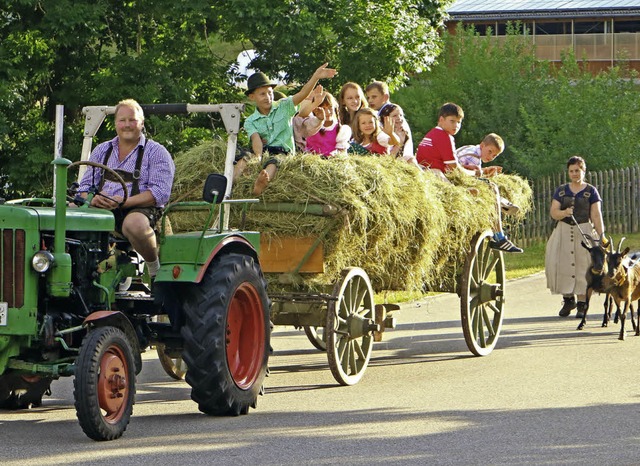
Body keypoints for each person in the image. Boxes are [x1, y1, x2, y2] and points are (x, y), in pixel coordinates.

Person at [77, 98, 175, 282]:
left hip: (139, 207)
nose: (127, 125)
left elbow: (160, 193)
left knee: (134, 224)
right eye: (122, 120)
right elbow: (83, 188)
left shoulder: (156, 152)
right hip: (101, 206)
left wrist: (123, 202)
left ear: (142, 123)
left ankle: (154, 270)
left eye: (132, 120)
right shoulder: (102, 150)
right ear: (115, 123)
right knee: (67, 215)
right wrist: (91, 199)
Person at [416, 103, 522, 253]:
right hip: (441, 177)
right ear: (441, 120)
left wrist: (475, 171)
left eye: (459, 122)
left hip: (434, 174)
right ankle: (499, 236)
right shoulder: (444, 137)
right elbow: (455, 169)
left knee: (487, 184)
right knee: (491, 188)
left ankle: (503, 205)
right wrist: (478, 173)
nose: (456, 126)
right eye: (452, 121)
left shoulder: (432, 134)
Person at [241, 64, 337, 195]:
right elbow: (255, 139)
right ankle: (229, 185)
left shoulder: (284, 106)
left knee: (274, 161)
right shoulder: (250, 120)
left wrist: (316, 77)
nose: (268, 97)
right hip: (263, 150)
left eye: (270, 93)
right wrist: (257, 157)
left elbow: (303, 94)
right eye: (262, 94)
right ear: (252, 97)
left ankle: (261, 185)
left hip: (283, 152)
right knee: (243, 158)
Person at [545, 155, 605, 318]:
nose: (574, 174)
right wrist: (563, 213)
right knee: (562, 264)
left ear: (583, 171)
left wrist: (601, 236)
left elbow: (596, 215)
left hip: (583, 230)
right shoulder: (562, 190)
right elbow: (553, 212)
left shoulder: (590, 191)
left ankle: (582, 304)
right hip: (564, 230)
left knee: (583, 267)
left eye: (577, 170)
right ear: (568, 172)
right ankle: (568, 300)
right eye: (571, 171)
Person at [305, 92, 352, 157]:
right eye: (323, 108)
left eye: (330, 107)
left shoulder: (341, 130)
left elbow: (342, 153)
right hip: (310, 163)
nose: (328, 112)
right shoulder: (311, 125)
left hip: (332, 163)